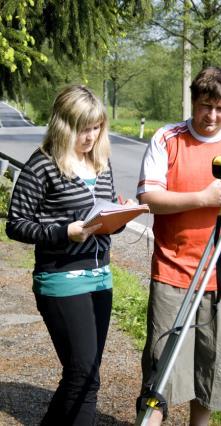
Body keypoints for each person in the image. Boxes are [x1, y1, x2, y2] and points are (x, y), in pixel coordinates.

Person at [136, 67, 221, 425]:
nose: (211, 116)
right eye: (205, 105)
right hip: (173, 272)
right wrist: (204, 197)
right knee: (160, 365)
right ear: (193, 101)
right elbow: (148, 197)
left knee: (213, 370)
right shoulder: (168, 138)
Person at [6, 84, 126, 425]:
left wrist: (120, 218)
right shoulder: (42, 165)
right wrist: (64, 231)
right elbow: (16, 225)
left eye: (95, 127)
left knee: (81, 375)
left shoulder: (101, 162)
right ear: (63, 125)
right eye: (81, 128)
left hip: (100, 277)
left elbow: (103, 219)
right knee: (84, 376)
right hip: (61, 278)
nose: (89, 137)